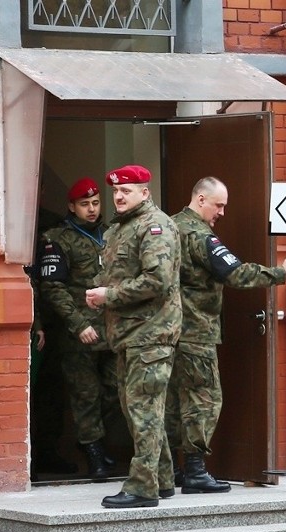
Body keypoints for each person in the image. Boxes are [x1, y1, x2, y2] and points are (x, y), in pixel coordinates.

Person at [166, 176, 286, 494]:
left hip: (168, 330)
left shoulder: (169, 226)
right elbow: (235, 273)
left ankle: (170, 470)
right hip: (196, 332)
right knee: (204, 399)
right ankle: (196, 471)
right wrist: (281, 273)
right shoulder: (200, 235)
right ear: (201, 199)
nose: (222, 212)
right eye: (219, 205)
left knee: (171, 400)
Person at [86, 164, 181, 508]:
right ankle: (164, 479)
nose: (119, 196)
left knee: (143, 411)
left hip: (151, 334)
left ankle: (142, 487)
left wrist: (108, 295)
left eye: (128, 190)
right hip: (127, 335)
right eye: (116, 191)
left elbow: (158, 281)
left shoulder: (155, 227)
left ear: (145, 192)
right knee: (138, 409)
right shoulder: (120, 229)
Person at [38, 177, 119, 481]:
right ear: (72, 206)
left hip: (113, 329)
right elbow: (53, 288)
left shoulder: (113, 234)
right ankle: (94, 452)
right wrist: (78, 324)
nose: (92, 209)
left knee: (116, 390)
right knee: (85, 394)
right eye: (85, 204)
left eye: (96, 203)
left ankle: (93, 438)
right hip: (80, 333)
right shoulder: (57, 238)